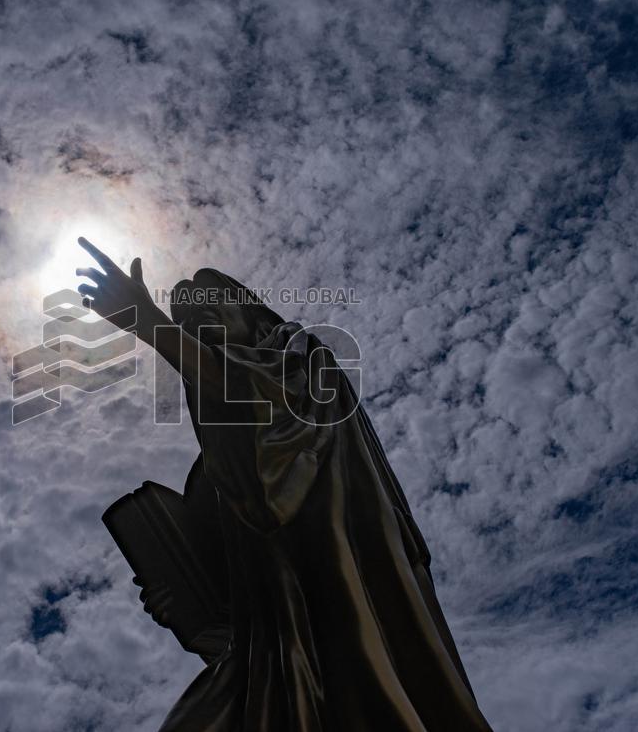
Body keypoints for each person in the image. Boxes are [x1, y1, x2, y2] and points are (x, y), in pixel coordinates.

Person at [76, 238, 493, 732]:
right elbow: (244, 589)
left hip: (347, 604)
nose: (196, 326)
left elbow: (264, 408)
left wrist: (150, 323)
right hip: (272, 654)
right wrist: (189, 614)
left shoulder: (303, 359)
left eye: (211, 305)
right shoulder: (217, 476)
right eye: (187, 323)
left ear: (256, 316)